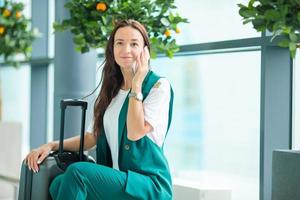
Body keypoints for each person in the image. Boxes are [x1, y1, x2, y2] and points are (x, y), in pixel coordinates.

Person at [25, 19, 174, 200]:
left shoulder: (158, 86)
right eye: (120, 43)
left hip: (147, 185)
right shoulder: (111, 90)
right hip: (117, 181)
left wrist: (137, 84)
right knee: (59, 183)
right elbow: (92, 137)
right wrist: (52, 145)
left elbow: (135, 132)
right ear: (112, 49)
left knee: (77, 173)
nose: (126, 50)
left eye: (134, 44)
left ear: (145, 51)